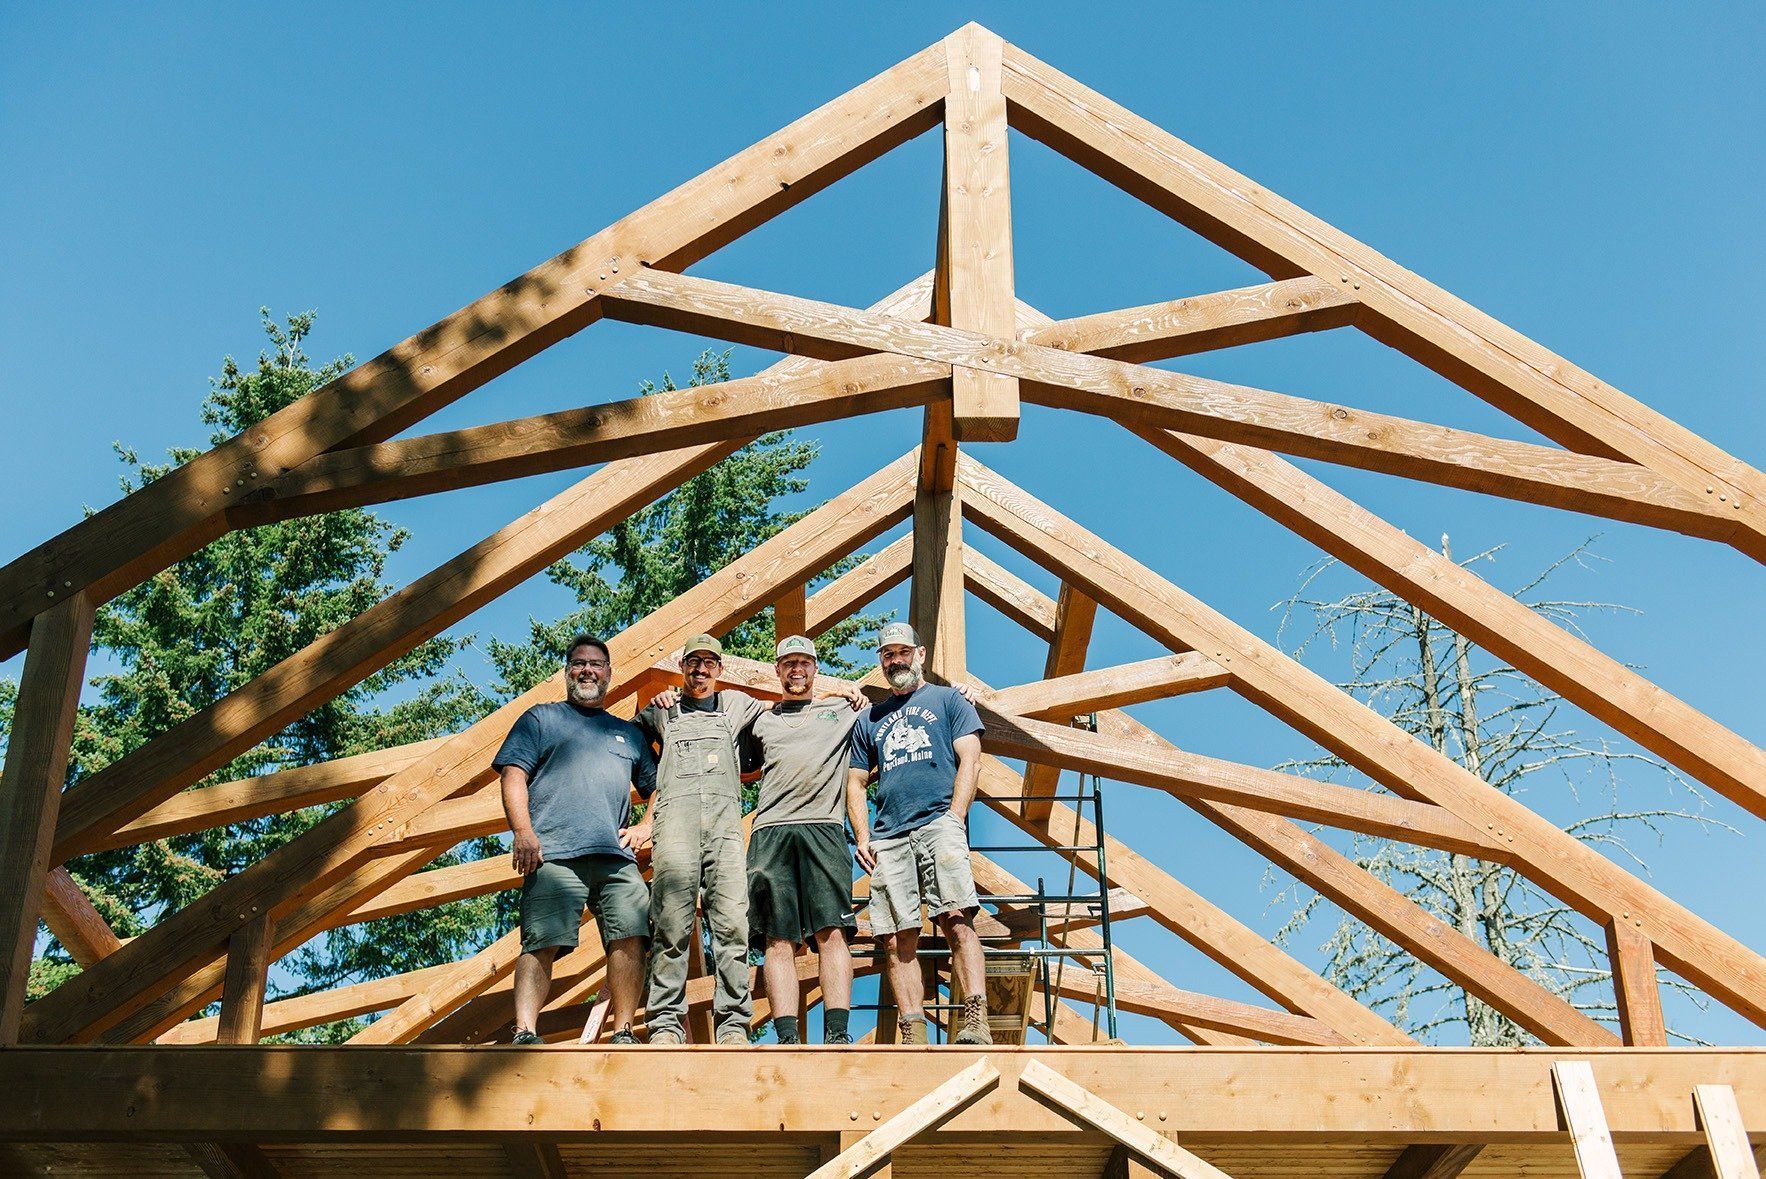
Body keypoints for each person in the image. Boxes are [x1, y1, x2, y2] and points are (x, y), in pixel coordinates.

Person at [495, 635, 656, 1046]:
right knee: (541, 941)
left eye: (596, 664)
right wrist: (523, 832)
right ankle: (526, 1031)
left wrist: (648, 825)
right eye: (579, 663)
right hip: (552, 854)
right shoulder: (542, 719)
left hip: (615, 857)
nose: (588, 670)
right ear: (568, 672)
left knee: (630, 935)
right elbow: (513, 774)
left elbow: (659, 786)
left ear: (608, 674)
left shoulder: (627, 734)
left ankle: (622, 1031)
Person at [847, 622, 992, 1046]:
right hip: (889, 835)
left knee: (957, 919)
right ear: (881, 662)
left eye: (902, 652)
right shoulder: (869, 719)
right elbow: (855, 782)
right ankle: (914, 1031)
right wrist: (862, 835)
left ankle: (975, 1019)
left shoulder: (949, 701)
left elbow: (971, 758)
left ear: (920, 654)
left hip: (938, 824)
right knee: (894, 936)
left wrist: (955, 816)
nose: (896, 661)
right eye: (887, 655)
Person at [744, 635, 864, 1045]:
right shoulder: (759, 717)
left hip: (824, 828)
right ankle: (787, 1038)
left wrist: (961, 694)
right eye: (788, 664)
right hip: (770, 831)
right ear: (777, 670)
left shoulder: (842, 710)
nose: (796, 670)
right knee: (778, 939)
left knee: (831, 931)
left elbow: (895, 700)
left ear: (816, 668)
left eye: (804, 663)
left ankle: (837, 1034)